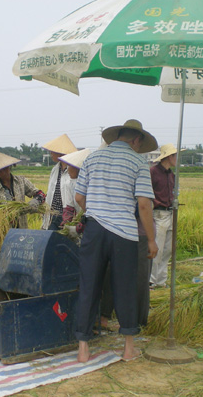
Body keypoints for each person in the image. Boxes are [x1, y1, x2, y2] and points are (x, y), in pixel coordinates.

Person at [74, 119, 158, 362]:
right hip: (124, 234)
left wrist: (96, 212)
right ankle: (129, 348)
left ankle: (83, 349)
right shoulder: (138, 162)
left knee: (89, 285)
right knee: (125, 287)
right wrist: (151, 240)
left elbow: (79, 197)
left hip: (94, 231)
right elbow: (144, 204)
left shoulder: (91, 159)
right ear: (136, 140)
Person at [0, 150, 46, 289]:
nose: (3, 172)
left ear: (10, 166)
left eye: (5, 168)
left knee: (20, 268)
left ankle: (17, 294)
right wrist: (16, 211)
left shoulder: (21, 181)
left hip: (21, 235)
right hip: (2, 235)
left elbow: (40, 194)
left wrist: (35, 201)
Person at [149, 143, 184, 289]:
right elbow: (147, 194)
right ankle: (151, 281)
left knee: (168, 249)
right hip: (158, 214)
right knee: (157, 248)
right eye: (175, 156)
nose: (177, 159)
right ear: (169, 156)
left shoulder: (171, 175)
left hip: (170, 213)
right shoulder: (153, 172)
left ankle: (161, 281)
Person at [41, 134, 77, 231]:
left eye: (53, 151)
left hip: (67, 216)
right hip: (53, 214)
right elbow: (50, 192)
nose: (51, 154)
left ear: (60, 153)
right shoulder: (55, 169)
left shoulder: (74, 170)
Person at [57, 148, 92, 237]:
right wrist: (66, 222)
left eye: (69, 166)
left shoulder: (90, 185)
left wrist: (80, 227)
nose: (68, 170)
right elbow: (69, 207)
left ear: (78, 169)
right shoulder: (70, 183)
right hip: (80, 222)